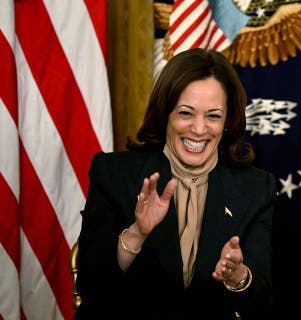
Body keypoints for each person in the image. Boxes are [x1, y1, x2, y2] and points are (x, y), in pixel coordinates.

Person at [75, 48, 277, 319]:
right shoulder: (115, 173)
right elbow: (90, 285)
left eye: (213, 116)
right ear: (165, 113)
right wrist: (136, 233)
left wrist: (237, 276)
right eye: (186, 113)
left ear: (227, 120)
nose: (198, 128)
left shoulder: (255, 187)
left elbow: (262, 300)